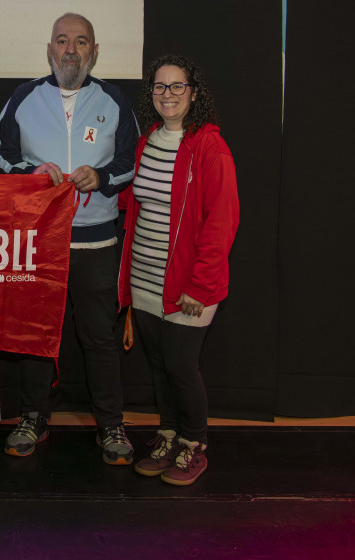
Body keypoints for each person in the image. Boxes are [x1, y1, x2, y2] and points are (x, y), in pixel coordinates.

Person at [0, 12, 140, 465]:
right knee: (36, 337)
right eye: (62, 41)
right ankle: (33, 417)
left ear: (94, 52)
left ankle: (110, 424)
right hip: (40, 239)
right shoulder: (24, 97)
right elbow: (2, 156)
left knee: (99, 338)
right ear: (49, 49)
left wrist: (102, 176)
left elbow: (131, 161)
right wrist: (30, 174)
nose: (71, 50)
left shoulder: (114, 100)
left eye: (81, 42)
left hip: (96, 243)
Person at [119, 54, 239, 486]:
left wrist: (201, 285)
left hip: (190, 282)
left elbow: (222, 221)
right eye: (160, 87)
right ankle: (168, 435)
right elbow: (137, 202)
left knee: (182, 368)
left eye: (177, 86)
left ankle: (194, 445)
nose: (167, 95)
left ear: (193, 92)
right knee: (160, 367)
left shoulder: (209, 146)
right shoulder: (148, 138)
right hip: (146, 276)